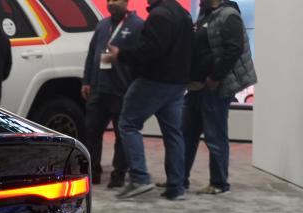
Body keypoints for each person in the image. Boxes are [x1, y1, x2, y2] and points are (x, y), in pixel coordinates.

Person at [105, 0, 193, 201]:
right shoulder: (183, 14)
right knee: (173, 133)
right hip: (177, 83)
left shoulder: (159, 15)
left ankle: (139, 178)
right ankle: (176, 186)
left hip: (154, 81)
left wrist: (121, 55)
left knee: (127, 124)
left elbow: (150, 51)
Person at [182, 0, 256, 195]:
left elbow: (234, 49)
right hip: (196, 86)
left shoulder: (229, 15)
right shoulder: (205, 14)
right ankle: (179, 178)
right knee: (186, 134)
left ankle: (219, 183)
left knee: (215, 136)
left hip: (215, 88)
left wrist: (215, 77)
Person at [80, 0, 144, 189]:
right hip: (99, 88)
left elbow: (142, 57)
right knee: (91, 131)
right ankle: (94, 171)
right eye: (108, 1)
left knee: (122, 134)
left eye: (116, 0)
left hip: (123, 90)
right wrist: (86, 81)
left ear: (126, 2)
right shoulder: (102, 25)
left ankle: (118, 175)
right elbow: (92, 54)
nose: (111, 4)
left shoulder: (137, 25)